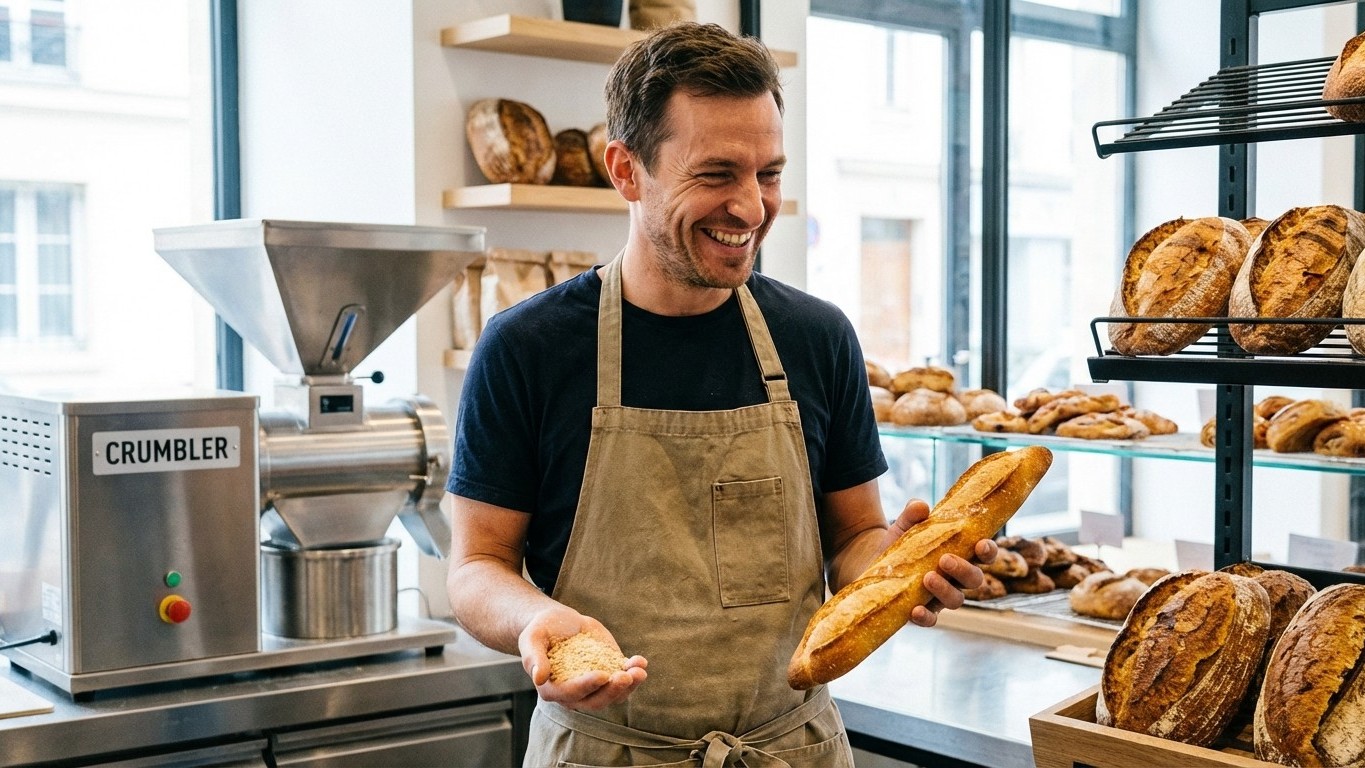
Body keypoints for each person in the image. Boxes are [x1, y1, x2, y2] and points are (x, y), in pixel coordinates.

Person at [445, 21, 996, 768]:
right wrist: (538, 620)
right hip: (607, 752)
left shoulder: (816, 337)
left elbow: (851, 539)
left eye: (767, 173)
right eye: (715, 174)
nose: (750, 207)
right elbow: (478, 566)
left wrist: (902, 571)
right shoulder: (527, 347)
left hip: (788, 748)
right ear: (625, 170)